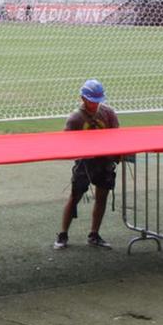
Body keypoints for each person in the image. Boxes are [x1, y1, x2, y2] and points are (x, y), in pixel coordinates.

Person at [54, 79, 119, 250]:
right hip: (85, 164)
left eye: (98, 101)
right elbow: (67, 142)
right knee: (75, 197)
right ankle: (62, 234)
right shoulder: (75, 118)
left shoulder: (109, 113)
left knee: (102, 197)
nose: (95, 104)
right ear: (83, 99)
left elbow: (117, 136)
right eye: (91, 100)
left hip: (105, 161)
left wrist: (116, 156)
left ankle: (94, 234)